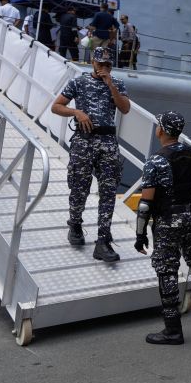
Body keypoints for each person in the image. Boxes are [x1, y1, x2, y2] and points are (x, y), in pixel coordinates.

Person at [135, 110, 191, 344]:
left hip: (168, 223)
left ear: (161, 130)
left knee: (167, 271)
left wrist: (140, 234)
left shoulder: (156, 160)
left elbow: (145, 203)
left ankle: (173, 330)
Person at [50, 46, 130, 262]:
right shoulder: (79, 82)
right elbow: (56, 107)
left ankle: (103, 241)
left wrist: (110, 85)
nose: (104, 67)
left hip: (108, 143)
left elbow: (125, 108)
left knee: (108, 192)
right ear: (92, 63)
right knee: (79, 187)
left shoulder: (117, 84)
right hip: (84, 142)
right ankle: (75, 224)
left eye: (108, 64)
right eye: (100, 63)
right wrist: (76, 112)